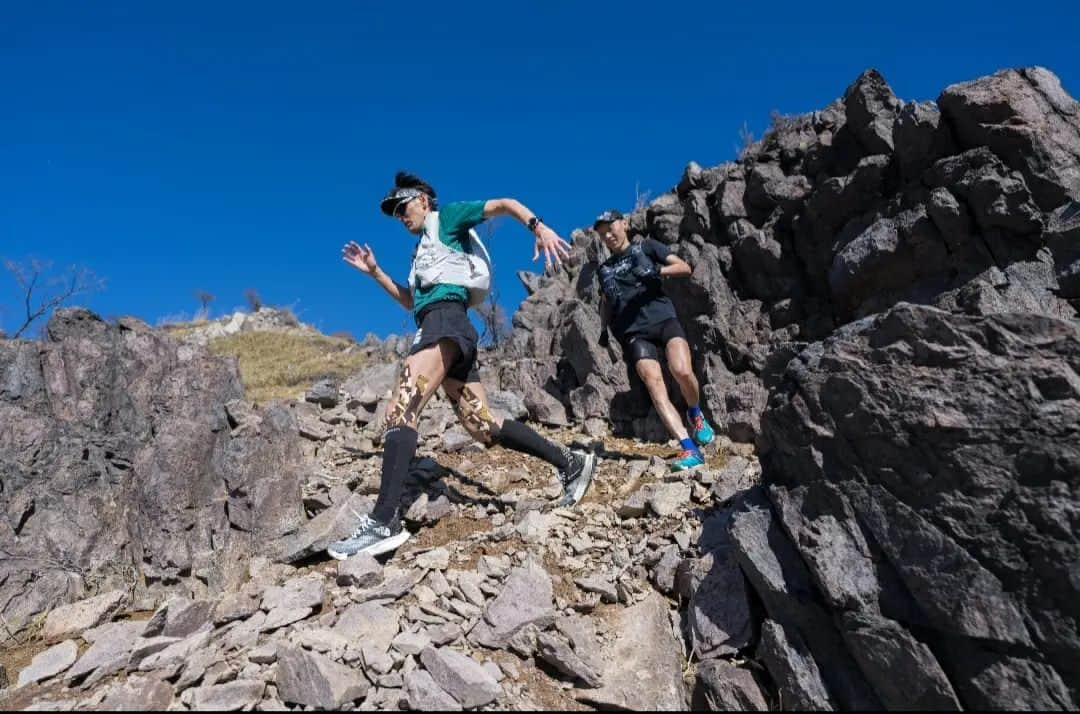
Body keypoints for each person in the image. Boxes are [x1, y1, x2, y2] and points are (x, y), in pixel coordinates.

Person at [327, 172, 598, 559]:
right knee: (482, 425)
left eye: (402, 207)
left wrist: (538, 227)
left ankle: (384, 520)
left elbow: (505, 203)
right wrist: (376, 273)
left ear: (422, 199)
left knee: (400, 410)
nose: (400, 217)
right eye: (394, 213)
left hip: (445, 324)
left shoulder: (448, 218)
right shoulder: (423, 249)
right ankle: (571, 462)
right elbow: (410, 302)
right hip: (447, 327)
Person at [592, 209, 715, 471]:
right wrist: (603, 328)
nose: (608, 235)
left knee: (681, 371)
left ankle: (695, 413)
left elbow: (684, 267)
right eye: (603, 235)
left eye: (611, 228)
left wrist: (656, 271)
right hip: (634, 332)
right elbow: (606, 300)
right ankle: (688, 448)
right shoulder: (604, 270)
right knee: (655, 387)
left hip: (663, 319)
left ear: (624, 223)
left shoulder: (647, 247)